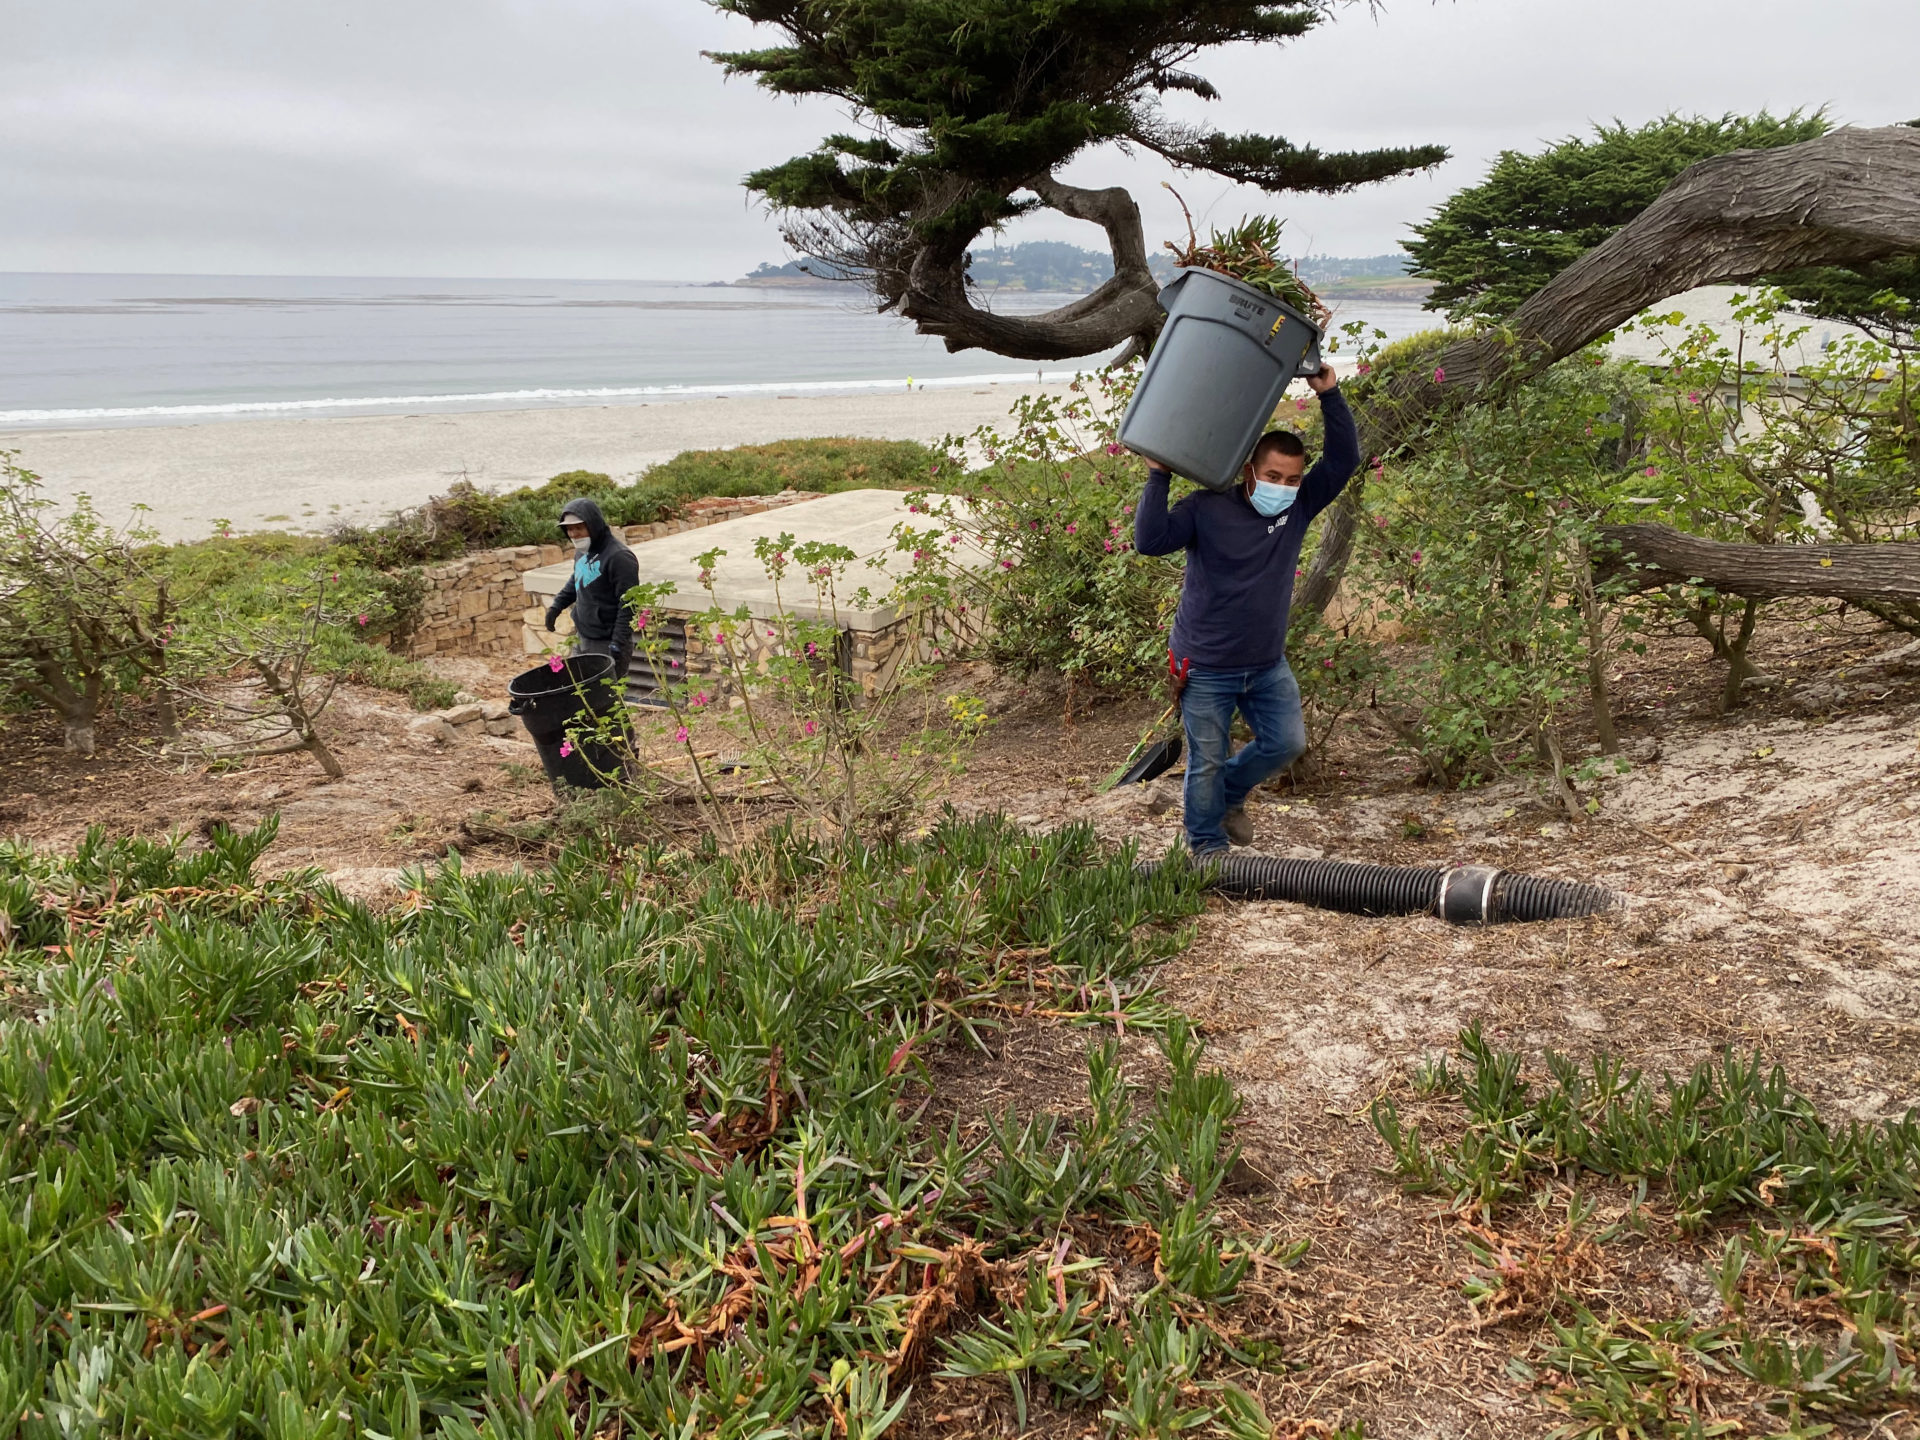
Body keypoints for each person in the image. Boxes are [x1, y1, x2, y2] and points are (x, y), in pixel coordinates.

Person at [1133, 364, 1360, 857]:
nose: (1284, 485)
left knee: (1286, 744)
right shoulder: (1205, 507)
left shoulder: (1296, 508)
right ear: (1249, 470)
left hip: (1265, 664)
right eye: (1274, 476)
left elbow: (1344, 461)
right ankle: (1207, 849)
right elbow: (1149, 542)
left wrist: (1330, 394)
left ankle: (1230, 796)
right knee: (1207, 760)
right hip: (1205, 666)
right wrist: (1158, 477)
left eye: (1293, 478)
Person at [543, 497, 640, 677]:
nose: (573, 534)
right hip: (583, 636)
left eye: (579, 528)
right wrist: (556, 606)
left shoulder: (619, 557)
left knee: (606, 700)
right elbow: (577, 580)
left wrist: (617, 643)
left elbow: (629, 604)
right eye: (569, 529)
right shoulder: (582, 552)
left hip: (608, 642)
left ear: (593, 525)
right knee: (581, 694)